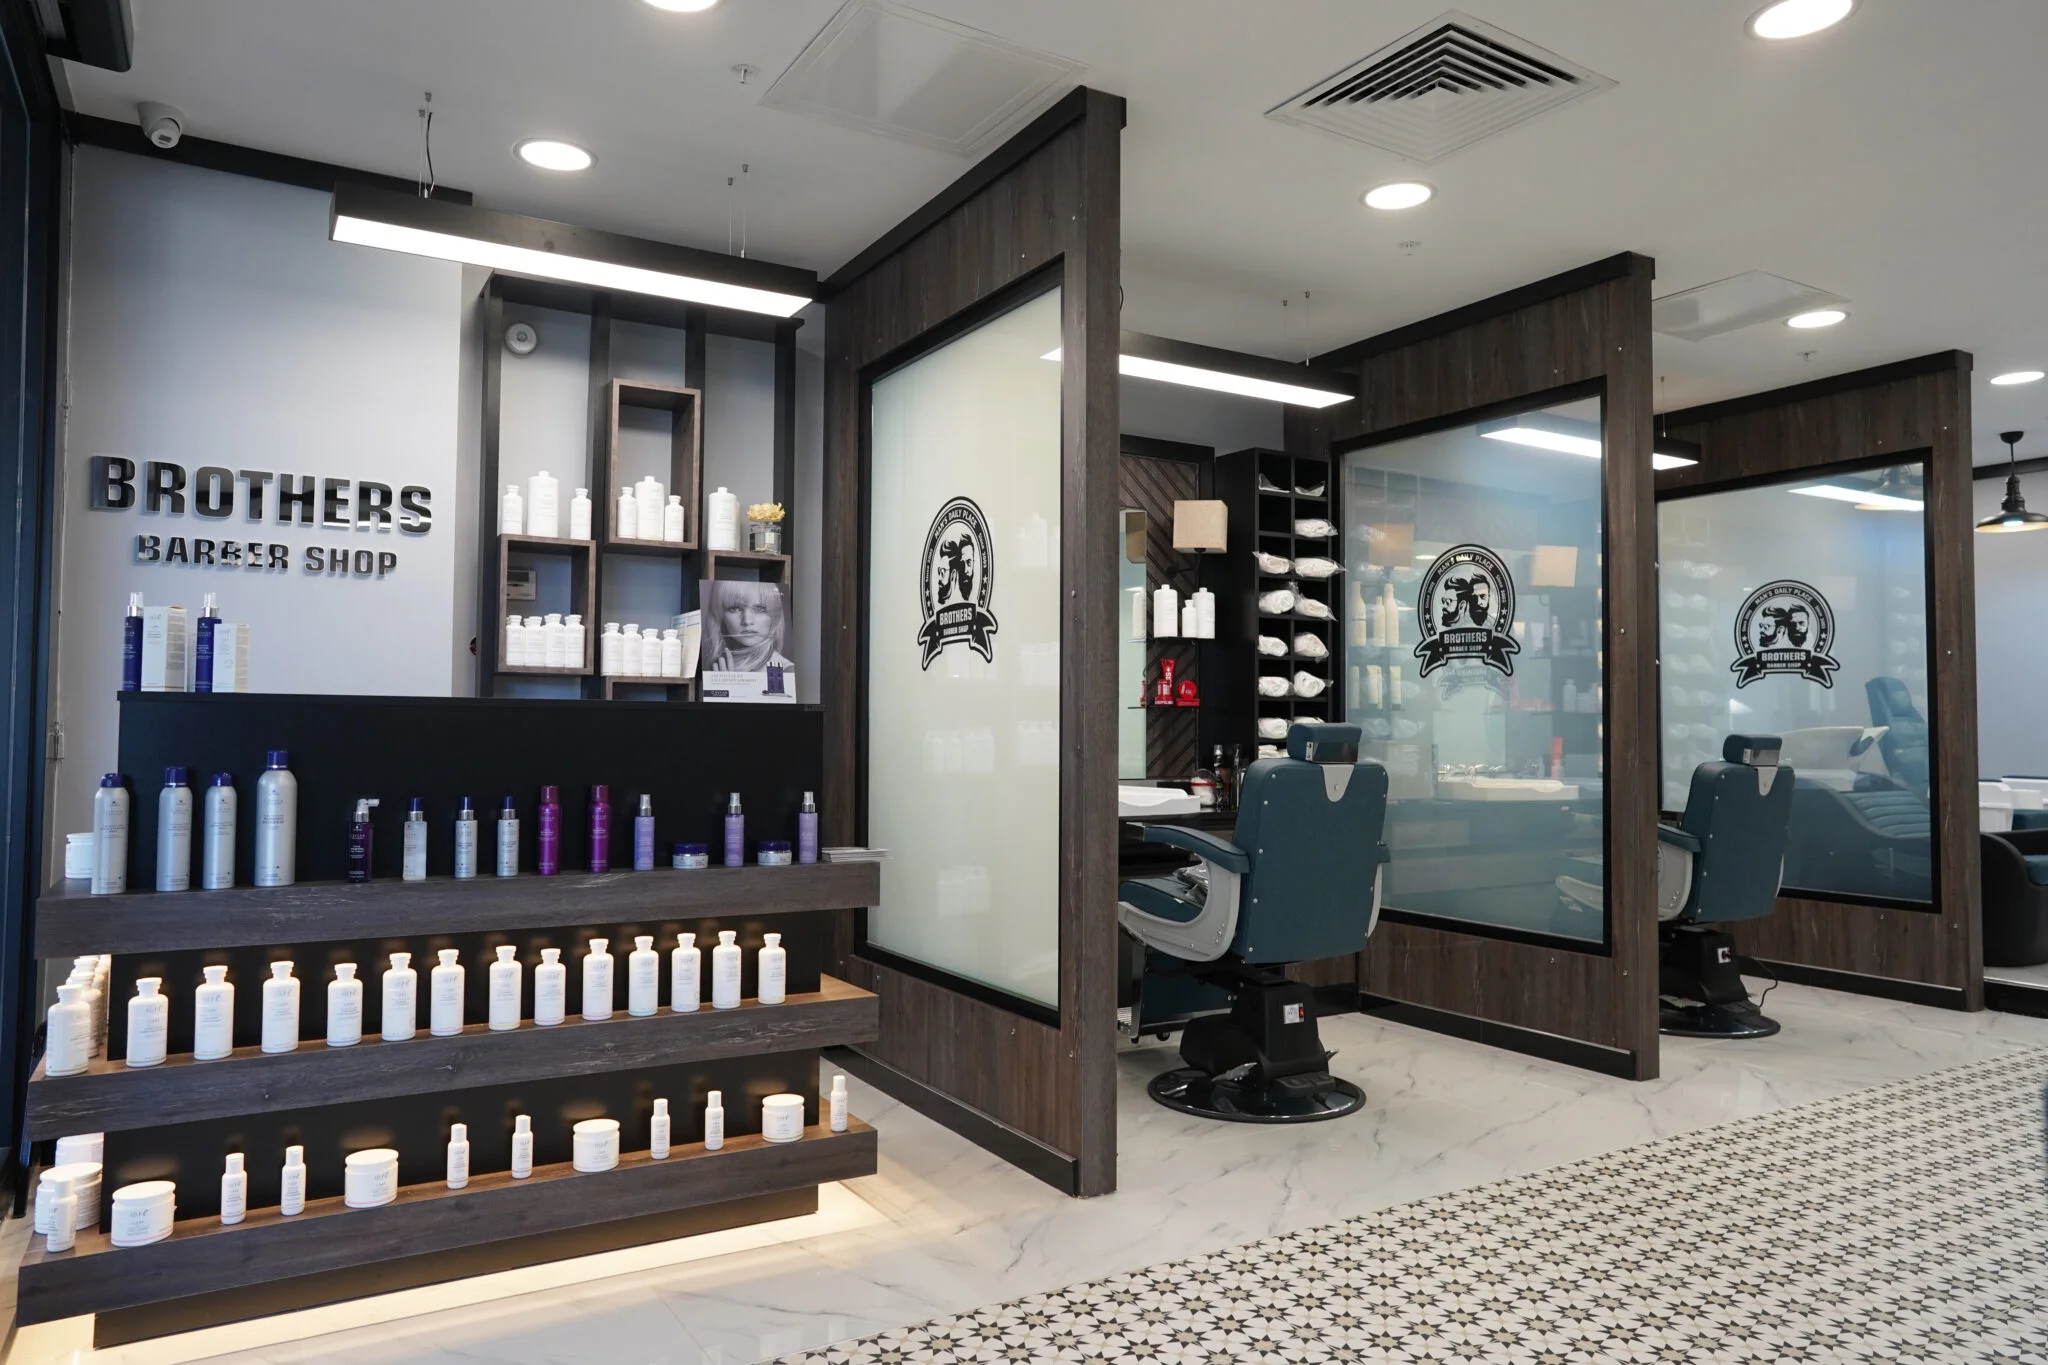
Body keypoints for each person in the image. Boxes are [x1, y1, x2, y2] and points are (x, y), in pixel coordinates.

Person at [707, 581, 793, 673]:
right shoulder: (716, 665)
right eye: (735, 609)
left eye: (760, 609)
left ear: (775, 616)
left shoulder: (786, 671)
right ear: (720, 615)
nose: (747, 621)